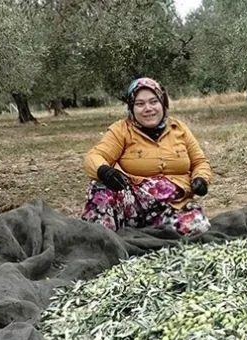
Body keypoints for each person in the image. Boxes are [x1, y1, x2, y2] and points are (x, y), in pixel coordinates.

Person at [81, 77, 212, 235]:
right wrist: (104, 171)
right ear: (132, 108)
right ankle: (103, 240)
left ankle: (142, 234)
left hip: (173, 204)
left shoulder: (179, 129)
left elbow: (199, 162)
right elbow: (94, 156)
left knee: (199, 227)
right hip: (132, 205)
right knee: (99, 187)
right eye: (140, 104)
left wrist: (201, 178)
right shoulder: (121, 130)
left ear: (163, 104)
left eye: (153, 102)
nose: (148, 108)